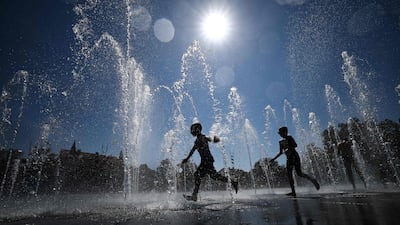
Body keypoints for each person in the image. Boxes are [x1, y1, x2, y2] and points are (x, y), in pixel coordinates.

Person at [181, 122, 238, 201]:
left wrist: (217, 139)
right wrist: (187, 159)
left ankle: (194, 196)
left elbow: (211, 139)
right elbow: (193, 150)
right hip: (206, 161)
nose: (191, 131)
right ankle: (233, 182)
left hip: (207, 161)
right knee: (214, 176)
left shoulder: (202, 138)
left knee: (198, 175)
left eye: (193, 129)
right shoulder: (197, 140)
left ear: (197, 129)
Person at [270, 126, 320, 197]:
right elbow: (281, 152)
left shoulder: (289, 138)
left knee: (299, 173)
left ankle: (313, 180)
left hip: (294, 156)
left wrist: (289, 147)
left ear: (285, 132)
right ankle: (293, 192)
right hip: (288, 158)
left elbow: (295, 145)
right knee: (289, 175)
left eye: (281, 133)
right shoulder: (281, 142)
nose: (280, 134)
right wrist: (273, 159)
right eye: (280, 133)